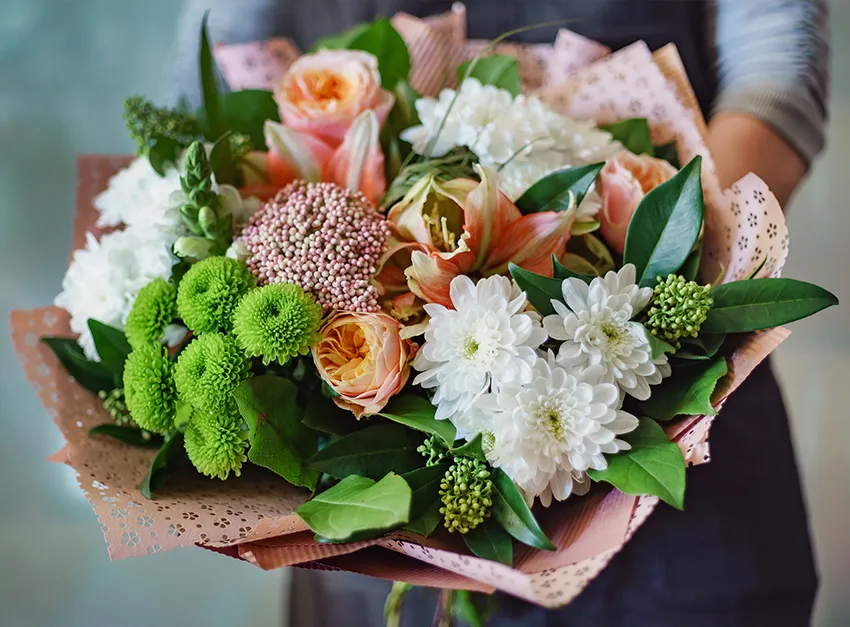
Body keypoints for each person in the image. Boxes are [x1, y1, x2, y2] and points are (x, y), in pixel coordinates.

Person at [171, 1, 829, 625]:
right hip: (363, 463)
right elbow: (215, 82)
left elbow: (776, 63)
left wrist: (665, 283)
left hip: (674, 409)